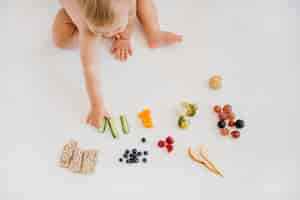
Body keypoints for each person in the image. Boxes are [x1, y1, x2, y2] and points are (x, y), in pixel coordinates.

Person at [52, 0, 183, 128]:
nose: (110, 35)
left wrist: (125, 37)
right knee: (61, 40)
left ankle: (154, 32)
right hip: (81, 16)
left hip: (115, 11)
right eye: (103, 32)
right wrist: (97, 106)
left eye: (117, 28)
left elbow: (130, 17)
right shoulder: (88, 30)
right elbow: (90, 68)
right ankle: (97, 27)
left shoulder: (128, 4)